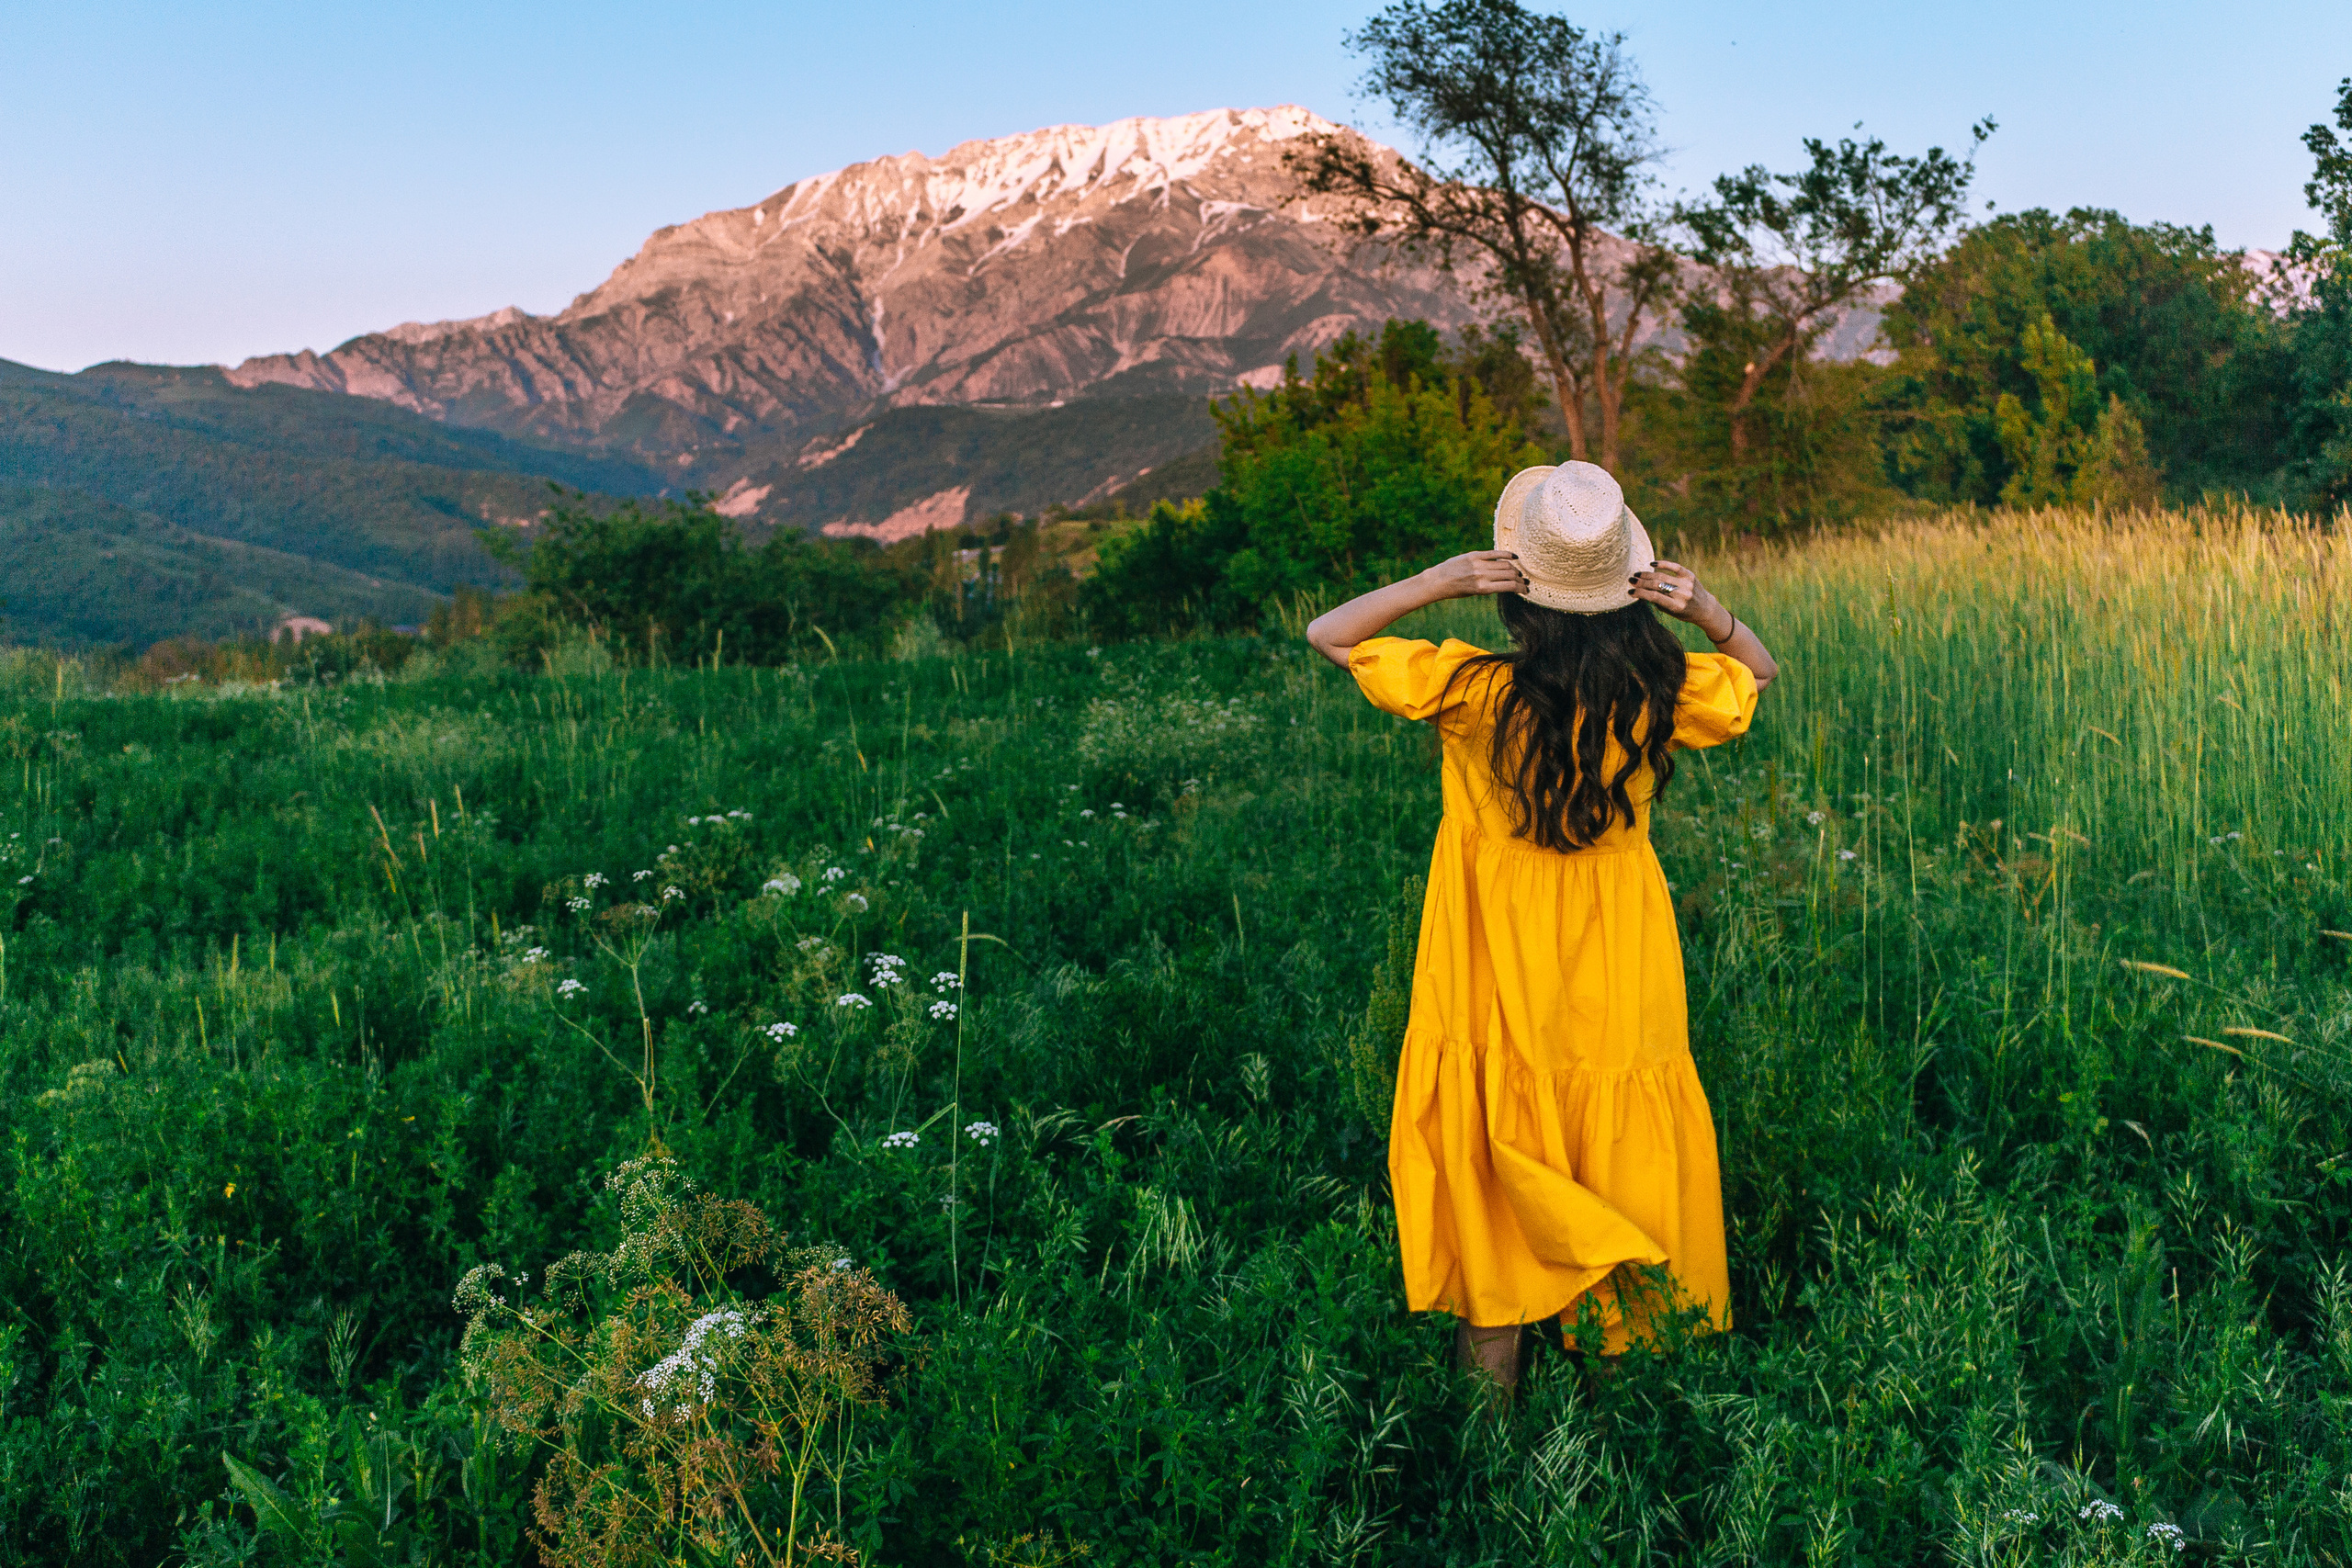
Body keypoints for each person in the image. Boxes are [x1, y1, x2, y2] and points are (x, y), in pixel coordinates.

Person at [1305, 461, 1780, 1394]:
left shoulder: (1474, 691)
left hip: (1493, 958)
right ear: (1627, 591)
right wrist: (1706, 610)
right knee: (1610, 1122)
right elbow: (1757, 673)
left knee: (1497, 1146)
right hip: (1617, 956)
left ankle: (1489, 1428)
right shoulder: (1659, 687)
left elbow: (1329, 633)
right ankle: (1619, 1374)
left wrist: (1441, 579)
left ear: (1519, 590)